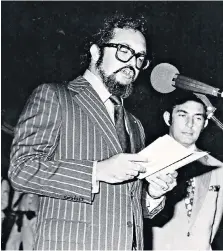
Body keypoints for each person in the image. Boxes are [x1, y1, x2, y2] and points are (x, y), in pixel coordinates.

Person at [9, 13, 177, 250]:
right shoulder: (55, 96)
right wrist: (97, 171)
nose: (132, 64)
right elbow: (21, 170)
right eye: (123, 50)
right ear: (96, 51)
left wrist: (154, 194)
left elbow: (125, 208)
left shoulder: (134, 124)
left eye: (140, 57)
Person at [150, 92, 223, 250]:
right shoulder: (147, 160)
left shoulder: (217, 167)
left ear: (205, 124)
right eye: (182, 115)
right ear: (168, 118)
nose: (190, 124)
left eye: (198, 118)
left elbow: (215, 223)